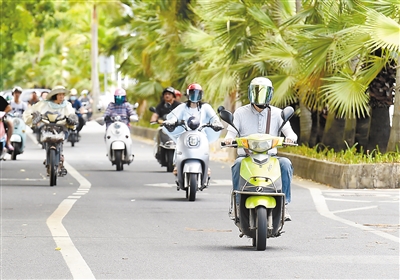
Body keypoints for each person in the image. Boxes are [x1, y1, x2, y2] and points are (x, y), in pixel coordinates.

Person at [223, 77, 298, 221]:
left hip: (270, 158)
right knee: (237, 164)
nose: (260, 96)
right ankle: (238, 204)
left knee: (286, 164)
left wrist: (290, 139)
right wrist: (228, 139)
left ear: (270, 94)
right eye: (256, 91)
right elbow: (231, 133)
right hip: (246, 157)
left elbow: (291, 134)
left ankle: (284, 204)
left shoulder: (278, 113)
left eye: (263, 92)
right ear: (251, 93)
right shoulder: (240, 113)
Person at [163, 83, 224, 174]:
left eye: (197, 93)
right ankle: (177, 163)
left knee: (205, 146)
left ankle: (206, 165)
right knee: (179, 144)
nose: (195, 96)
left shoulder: (205, 107)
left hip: (201, 132)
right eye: (192, 93)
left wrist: (216, 123)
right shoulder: (183, 107)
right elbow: (174, 116)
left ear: (201, 95)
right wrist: (171, 121)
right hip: (185, 131)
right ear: (188, 94)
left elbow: (214, 118)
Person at [23, 85, 78, 175]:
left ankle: (60, 157)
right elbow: (32, 111)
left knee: (61, 142)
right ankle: (49, 157)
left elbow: (71, 114)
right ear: (54, 95)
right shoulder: (44, 103)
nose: (61, 96)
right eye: (59, 94)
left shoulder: (67, 105)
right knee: (44, 139)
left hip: (62, 128)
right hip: (47, 127)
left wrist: (71, 119)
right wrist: (35, 116)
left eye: (62, 94)